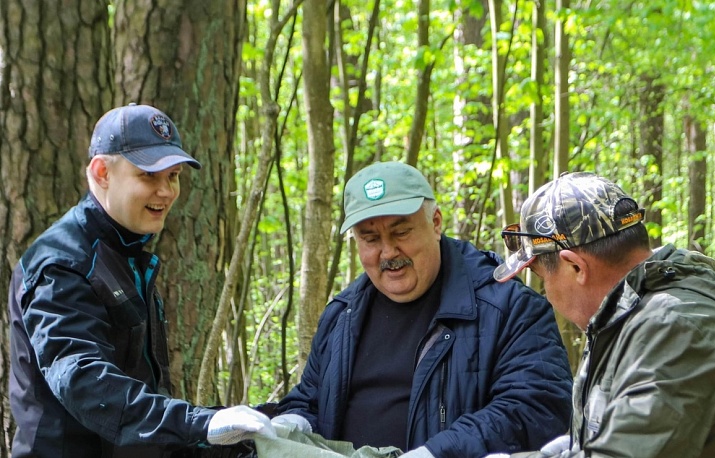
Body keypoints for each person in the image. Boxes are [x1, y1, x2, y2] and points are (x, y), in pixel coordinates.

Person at [8, 103, 275, 457]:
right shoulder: (62, 263)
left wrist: (248, 429)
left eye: (174, 176)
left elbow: (145, 415)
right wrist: (199, 424)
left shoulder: (128, 255)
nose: (165, 191)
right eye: (148, 176)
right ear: (102, 172)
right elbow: (83, 382)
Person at [273, 161, 573, 458]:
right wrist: (287, 424)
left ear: (436, 223)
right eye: (371, 239)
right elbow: (311, 401)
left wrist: (437, 453)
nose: (389, 252)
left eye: (401, 232)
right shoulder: (341, 316)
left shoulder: (507, 307)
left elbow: (538, 407)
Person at [493, 171, 715, 457]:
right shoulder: (629, 317)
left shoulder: (674, 327)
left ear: (575, 267)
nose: (547, 294)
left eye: (543, 279)